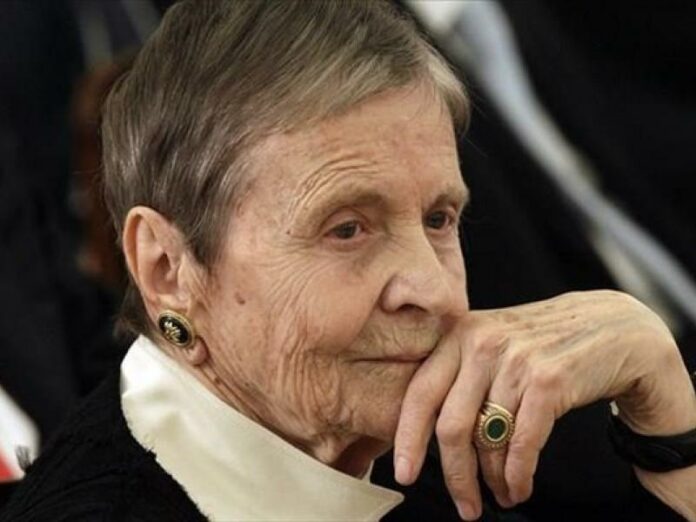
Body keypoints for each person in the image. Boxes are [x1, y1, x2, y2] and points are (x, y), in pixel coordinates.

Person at [2, 1, 695, 520]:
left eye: (438, 219)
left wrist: (665, 407)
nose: (434, 290)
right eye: (347, 229)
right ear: (167, 269)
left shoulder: (427, 457)